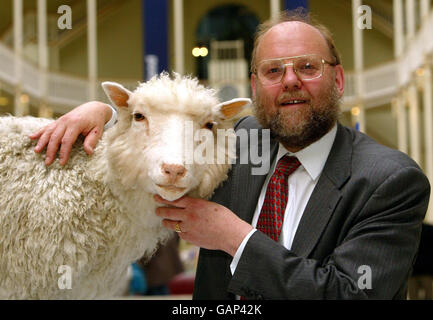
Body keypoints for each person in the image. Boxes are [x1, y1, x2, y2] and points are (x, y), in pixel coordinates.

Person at [30, 10, 430, 299]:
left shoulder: (390, 181)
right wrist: (104, 112)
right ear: (255, 88)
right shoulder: (234, 141)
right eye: (273, 71)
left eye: (308, 67)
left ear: (338, 78)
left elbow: (349, 294)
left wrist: (237, 239)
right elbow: (162, 137)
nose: (290, 80)